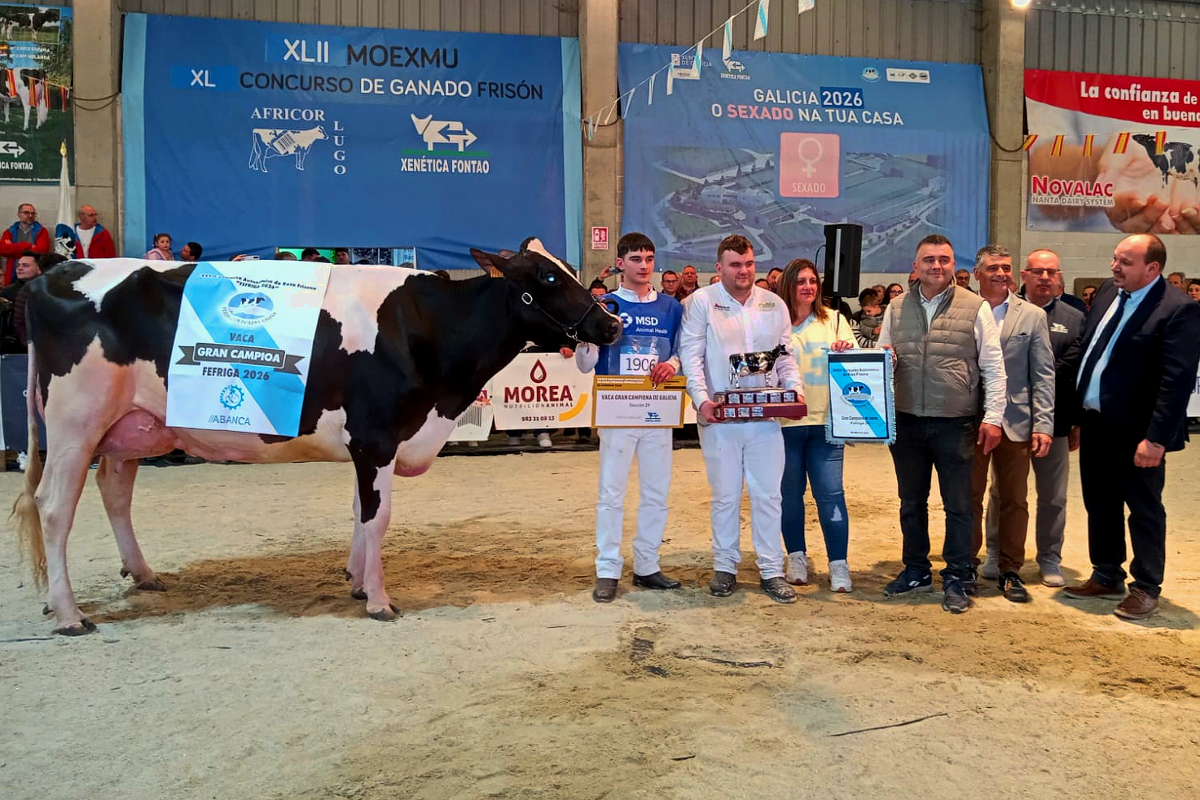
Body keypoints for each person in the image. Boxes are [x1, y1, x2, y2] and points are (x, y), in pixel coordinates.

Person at [1063, 234, 1200, 620]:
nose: (1114, 267)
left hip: (1139, 432)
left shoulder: (1178, 309)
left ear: (1152, 268)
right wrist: (1075, 415)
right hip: (1095, 422)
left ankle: (1146, 586)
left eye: (1125, 261)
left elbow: (1176, 382)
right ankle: (1107, 573)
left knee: (1143, 508)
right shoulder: (1109, 291)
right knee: (1099, 502)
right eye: (1114, 258)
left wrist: (1156, 439)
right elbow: (1090, 349)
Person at [878, 234, 1006, 613]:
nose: (936, 266)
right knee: (911, 502)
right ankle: (916, 569)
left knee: (959, 506)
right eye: (929, 260)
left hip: (956, 422)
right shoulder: (895, 308)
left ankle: (957, 575)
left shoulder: (975, 306)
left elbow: (994, 367)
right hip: (907, 422)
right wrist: (886, 360)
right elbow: (883, 360)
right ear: (915, 266)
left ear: (954, 265)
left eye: (944, 260)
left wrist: (993, 417)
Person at [679, 234, 804, 604]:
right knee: (725, 496)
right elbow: (691, 356)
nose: (743, 271)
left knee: (769, 495)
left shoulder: (774, 304)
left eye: (749, 264)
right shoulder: (701, 302)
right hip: (720, 419)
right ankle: (725, 566)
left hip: (765, 418)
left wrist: (794, 389)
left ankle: (771, 570)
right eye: (735, 265)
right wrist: (701, 400)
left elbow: (785, 356)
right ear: (719, 268)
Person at [573, 232, 684, 603]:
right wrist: (585, 338)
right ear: (620, 263)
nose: (644, 265)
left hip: (657, 409)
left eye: (649, 258)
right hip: (618, 411)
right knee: (611, 492)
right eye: (636, 259)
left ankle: (647, 565)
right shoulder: (604, 305)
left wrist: (672, 364)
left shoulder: (671, 307)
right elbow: (585, 364)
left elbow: (682, 351)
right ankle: (607, 569)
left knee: (656, 492)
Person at [983, 248, 1085, 588]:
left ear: (1059, 277)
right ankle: (995, 552)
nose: (1045, 277)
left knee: (1053, 495)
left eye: (1051, 272)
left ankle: (1049, 557)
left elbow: (1070, 371)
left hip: (1054, 419)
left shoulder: (1075, 317)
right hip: (1004, 418)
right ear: (1023, 275)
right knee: (1002, 492)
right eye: (1038, 271)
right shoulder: (994, 310)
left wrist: (1075, 420)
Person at [967, 245, 1055, 603]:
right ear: (977, 273)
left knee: (1015, 500)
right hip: (971, 420)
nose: (1001, 273)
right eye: (993, 267)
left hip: (1016, 421)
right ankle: (966, 566)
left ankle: (1010, 569)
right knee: (968, 498)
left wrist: (1043, 423)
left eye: (1006, 267)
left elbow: (1043, 374)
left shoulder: (1032, 316)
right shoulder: (962, 309)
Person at [777, 259, 855, 592]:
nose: (808, 287)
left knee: (831, 495)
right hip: (783, 424)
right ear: (788, 286)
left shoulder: (835, 320)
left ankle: (839, 564)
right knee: (789, 496)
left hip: (826, 424)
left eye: (812, 281)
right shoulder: (774, 323)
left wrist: (846, 351)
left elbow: (857, 367)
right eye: (800, 281)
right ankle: (796, 556)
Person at [0, 203, 50, 285]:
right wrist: (28, 246)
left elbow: (42, 251)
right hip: (13, 275)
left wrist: (12, 249)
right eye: (26, 213)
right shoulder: (9, 232)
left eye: (33, 213)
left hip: (34, 276)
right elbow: (2, 249)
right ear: (19, 214)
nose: (30, 215)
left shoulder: (42, 231)